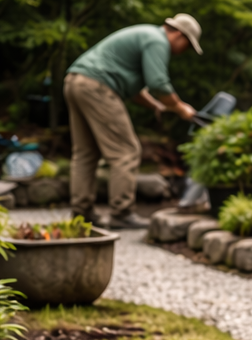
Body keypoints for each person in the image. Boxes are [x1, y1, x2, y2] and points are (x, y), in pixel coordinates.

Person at [64, 15, 203, 229]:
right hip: (97, 86)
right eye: (187, 45)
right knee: (126, 151)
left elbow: (136, 90)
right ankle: (122, 212)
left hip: (76, 81)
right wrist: (180, 107)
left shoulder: (145, 35)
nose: (184, 51)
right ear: (178, 34)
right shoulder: (158, 40)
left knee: (85, 153)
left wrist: (157, 106)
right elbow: (158, 83)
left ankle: (81, 214)